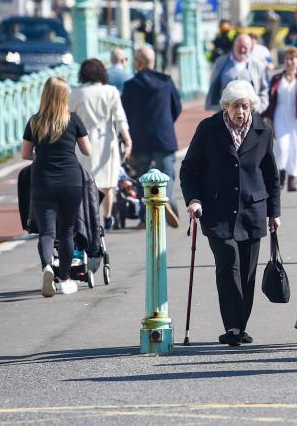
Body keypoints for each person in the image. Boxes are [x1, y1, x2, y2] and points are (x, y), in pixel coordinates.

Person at [180, 80, 282, 347]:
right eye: (236, 106)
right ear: (226, 106)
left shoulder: (262, 130)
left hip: (252, 210)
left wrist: (275, 212)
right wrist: (194, 199)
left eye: (245, 106)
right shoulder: (209, 129)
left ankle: (240, 324)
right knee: (228, 267)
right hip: (218, 212)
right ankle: (233, 326)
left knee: (247, 273)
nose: (241, 112)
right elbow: (189, 169)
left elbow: (271, 175)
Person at [21, 77, 92, 297]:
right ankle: (64, 279)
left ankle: (47, 268)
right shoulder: (73, 120)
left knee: (47, 232)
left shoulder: (34, 122)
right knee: (67, 232)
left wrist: (41, 156)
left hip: (42, 181)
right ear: (64, 96)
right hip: (70, 181)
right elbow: (87, 150)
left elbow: (25, 154)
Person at [122, 47, 182, 228]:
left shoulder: (131, 85)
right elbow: (176, 107)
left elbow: (124, 112)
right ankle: (167, 200)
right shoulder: (167, 81)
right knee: (167, 174)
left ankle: (144, 218)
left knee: (142, 178)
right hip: (164, 137)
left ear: (138, 63)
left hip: (140, 138)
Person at [69, 58, 132, 231]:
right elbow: (120, 118)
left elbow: (68, 117)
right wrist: (127, 139)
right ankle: (108, 216)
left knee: (86, 182)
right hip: (107, 140)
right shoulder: (111, 91)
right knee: (107, 182)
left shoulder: (76, 93)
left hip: (83, 142)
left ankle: (87, 218)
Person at [265, 47, 297, 192]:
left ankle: (291, 180)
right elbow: (270, 96)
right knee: (282, 146)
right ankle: (280, 179)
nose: (289, 61)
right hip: (280, 113)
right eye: (287, 58)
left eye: (293, 59)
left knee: (296, 147)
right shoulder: (277, 78)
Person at [207, 34, 270, 115]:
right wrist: (218, 109)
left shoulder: (256, 65)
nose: (242, 50)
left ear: (250, 48)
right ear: (234, 45)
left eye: (245, 48)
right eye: (240, 47)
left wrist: (259, 107)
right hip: (225, 115)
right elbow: (213, 86)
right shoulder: (221, 62)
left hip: (251, 116)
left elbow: (264, 89)